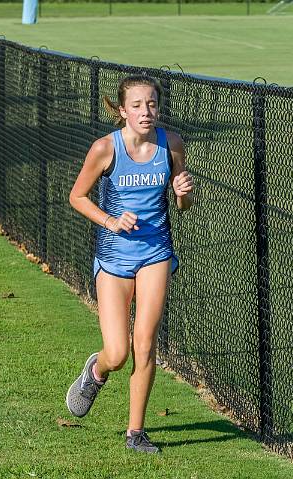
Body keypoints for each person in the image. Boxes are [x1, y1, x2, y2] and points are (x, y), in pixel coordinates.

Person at [66, 74, 194, 454]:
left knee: (145, 343)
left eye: (152, 104)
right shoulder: (105, 149)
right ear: (122, 110)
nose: (146, 112)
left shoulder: (171, 144)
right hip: (114, 256)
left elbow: (183, 205)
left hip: (155, 252)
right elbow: (77, 196)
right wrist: (110, 220)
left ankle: (135, 433)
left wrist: (184, 194)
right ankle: (96, 371)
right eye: (137, 105)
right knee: (118, 353)